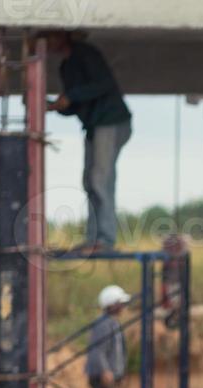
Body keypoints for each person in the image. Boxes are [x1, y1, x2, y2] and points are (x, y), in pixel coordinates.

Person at [43, 31, 132, 254]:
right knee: (90, 181)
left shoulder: (86, 54)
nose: (48, 42)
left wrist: (71, 97)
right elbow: (74, 104)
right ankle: (93, 238)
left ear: (64, 36)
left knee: (100, 178)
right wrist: (56, 105)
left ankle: (106, 239)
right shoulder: (66, 66)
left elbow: (103, 84)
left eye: (50, 36)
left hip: (110, 122)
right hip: (94, 126)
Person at [85, 285, 129, 388]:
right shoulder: (103, 324)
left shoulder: (113, 323)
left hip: (110, 375)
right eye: (120, 303)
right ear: (112, 305)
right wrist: (105, 371)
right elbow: (97, 350)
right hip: (101, 376)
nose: (123, 307)